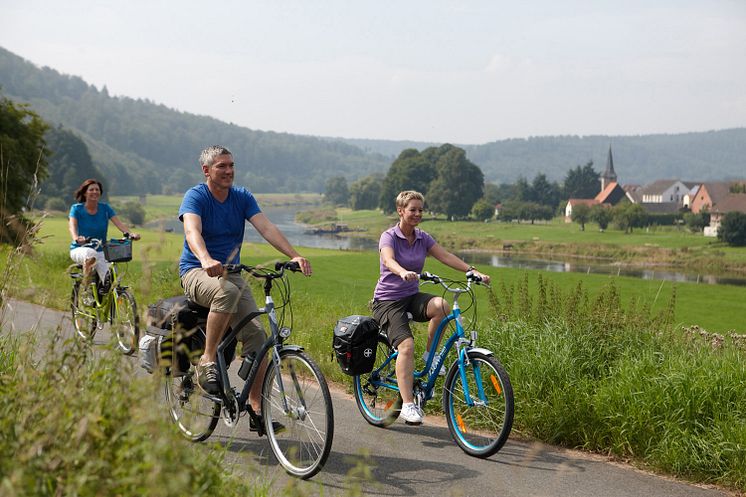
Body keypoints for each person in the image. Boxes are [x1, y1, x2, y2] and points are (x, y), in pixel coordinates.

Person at [178, 145, 312, 424]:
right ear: (206, 170)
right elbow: (192, 231)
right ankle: (207, 359)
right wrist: (204, 258)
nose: (229, 171)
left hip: (233, 275)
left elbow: (266, 227)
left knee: (257, 338)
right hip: (196, 272)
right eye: (221, 166)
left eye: (231, 165)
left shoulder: (242, 197)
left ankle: (255, 406)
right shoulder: (196, 196)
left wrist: (294, 255)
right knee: (226, 290)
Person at [371, 190, 491, 425]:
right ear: (400, 211)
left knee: (443, 306)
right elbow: (388, 259)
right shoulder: (389, 236)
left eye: (420, 210)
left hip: (410, 296)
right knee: (406, 346)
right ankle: (407, 405)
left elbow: (445, 256)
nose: (417, 214)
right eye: (412, 209)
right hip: (387, 301)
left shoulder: (423, 237)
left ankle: (430, 355)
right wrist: (402, 271)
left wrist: (471, 270)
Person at [68, 178, 140, 292]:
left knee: (109, 282)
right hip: (80, 248)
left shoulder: (105, 208)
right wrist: (76, 238)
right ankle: (85, 291)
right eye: (91, 189)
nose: (95, 192)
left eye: (97, 190)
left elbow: (119, 224)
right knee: (90, 255)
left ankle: (107, 304)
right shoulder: (76, 209)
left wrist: (131, 234)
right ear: (85, 192)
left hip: (101, 250)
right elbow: (72, 226)